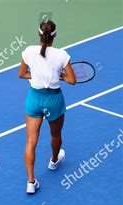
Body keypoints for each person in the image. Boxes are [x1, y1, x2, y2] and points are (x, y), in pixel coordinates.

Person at [18, 19, 76, 194]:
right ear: (55, 35)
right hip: (53, 100)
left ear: (39, 34)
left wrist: (35, 75)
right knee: (56, 134)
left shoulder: (29, 51)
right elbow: (72, 80)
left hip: (34, 99)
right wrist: (60, 76)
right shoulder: (61, 55)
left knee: (30, 141)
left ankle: (30, 181)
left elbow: (21, 74)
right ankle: (53, 161)